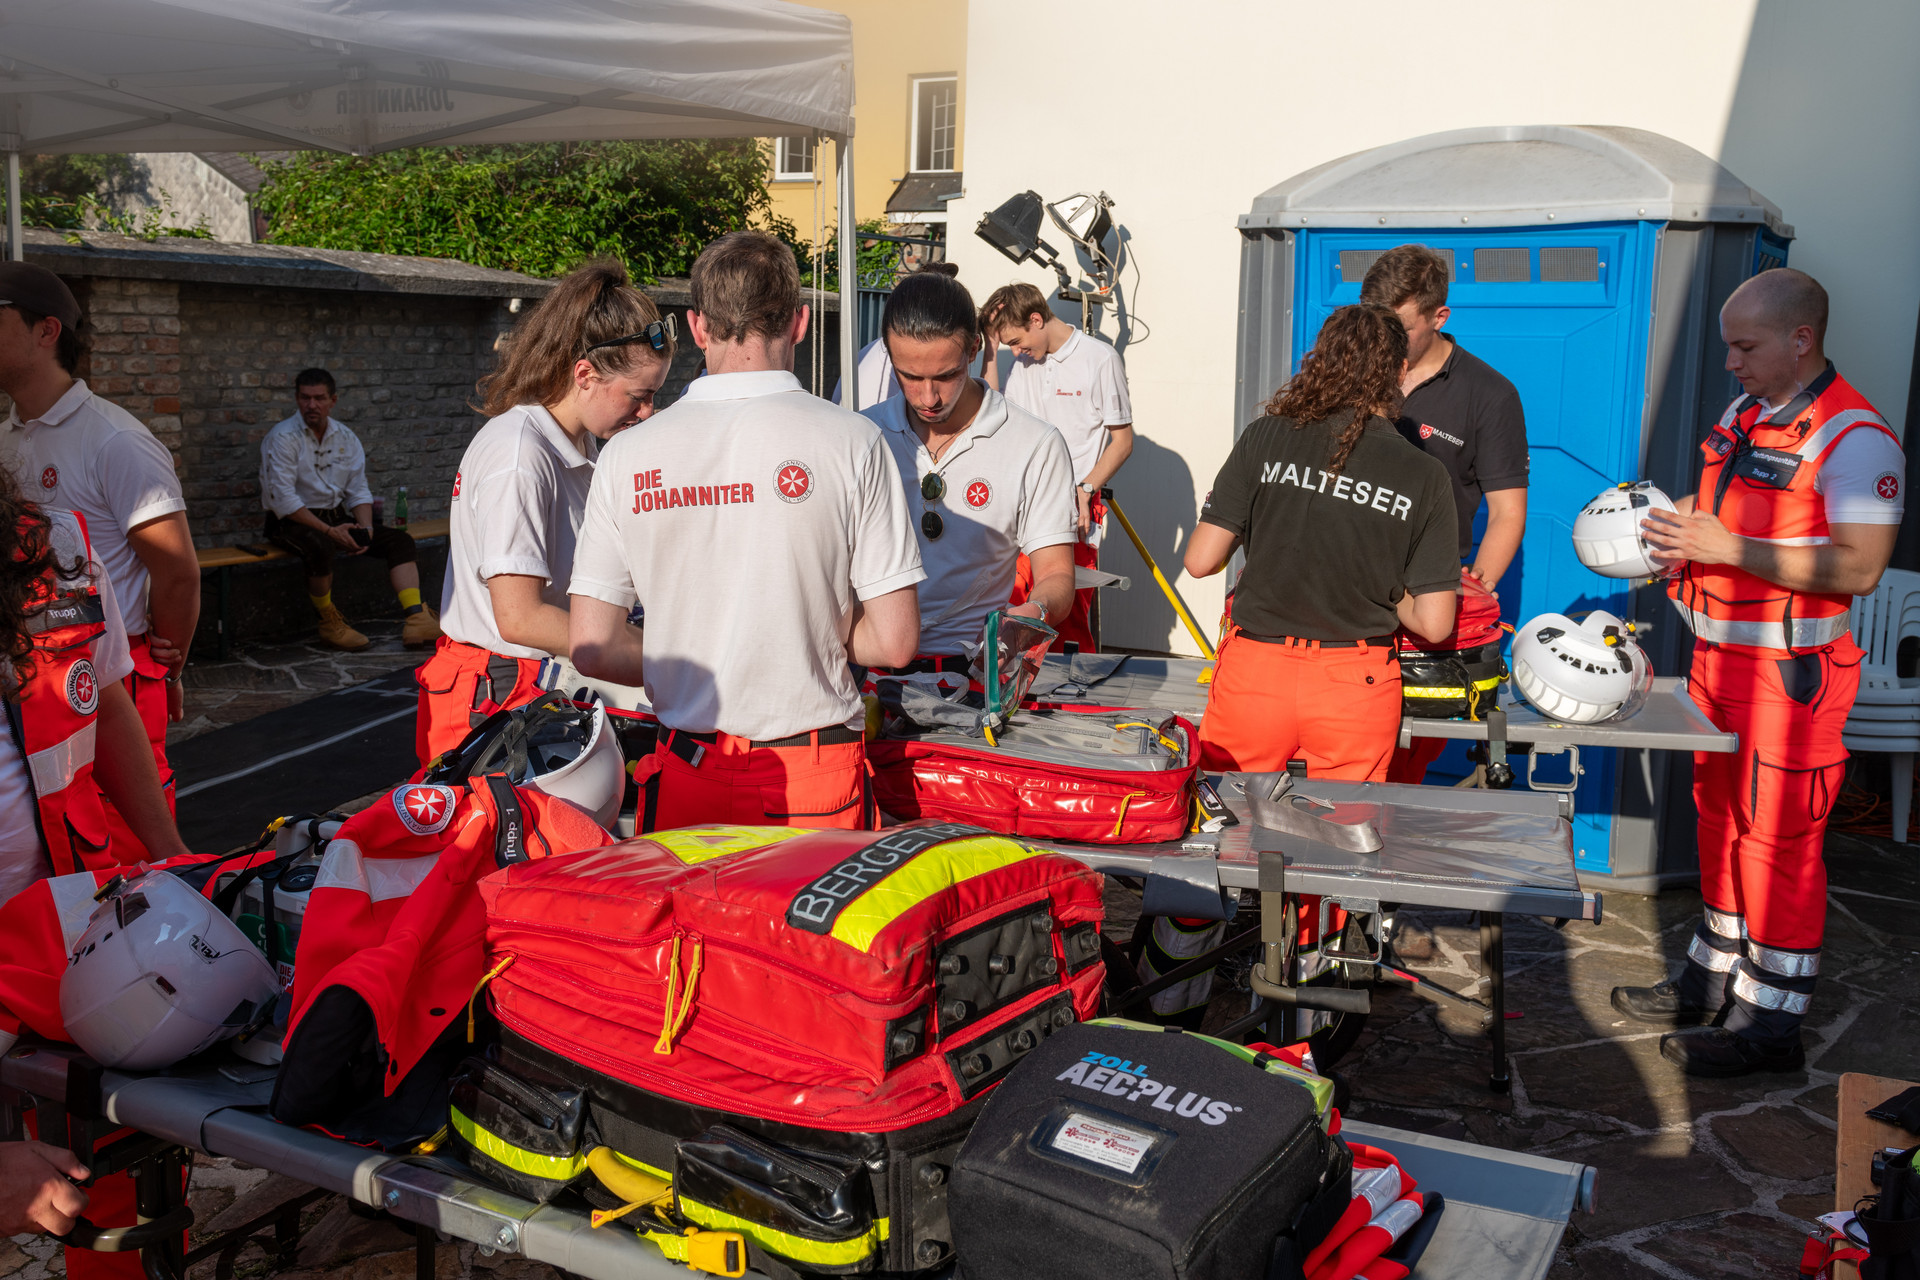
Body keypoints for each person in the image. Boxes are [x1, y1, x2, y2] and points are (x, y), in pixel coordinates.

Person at [1613, 268, 1901, 1079]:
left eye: (1746, 346)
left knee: (1778, 842)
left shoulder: (1856, 438)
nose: (1731, 362)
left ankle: (1771, 1024)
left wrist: (1721, 549)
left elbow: (1863, 566)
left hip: (1791, 678)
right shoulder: (1746, 417)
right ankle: (1710, 982)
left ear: (1800, 339)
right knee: (1720, 822)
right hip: (1718, 664)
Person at [568, 230, 922, 830]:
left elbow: (593, 644)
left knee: (690, 930)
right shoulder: (854, 441)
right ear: (802, 322)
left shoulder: (627, 454)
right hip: (814, 780)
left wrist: (699, 654)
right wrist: (799, 637)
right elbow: (894, 643)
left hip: (686, 773)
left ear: (697, 327)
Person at [1182, 302, 1459, 781]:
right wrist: (1380, 590)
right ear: (1400, 370)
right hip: (1355, 682)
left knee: (1231, 831)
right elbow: (1435, 624)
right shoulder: (1425, 474)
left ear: (1322, 361)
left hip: (1255, 672)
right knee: (1340, 840)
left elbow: (1201, 560)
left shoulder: (1265, 437)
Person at [416, 261, 671, 765]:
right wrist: (659, 656)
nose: (647, 413)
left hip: (522, 684)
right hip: (496, 691)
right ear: (585, 374)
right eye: (639, 397)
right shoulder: (521, 456)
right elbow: (520, 616)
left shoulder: (574, 444)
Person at [0, 262, 198, 861]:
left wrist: (169, 656)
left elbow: (176, 568)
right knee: (55, 841)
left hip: (106, 675)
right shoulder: (7, 435)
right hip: (31, 681)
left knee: (131, 847)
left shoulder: (114, 438)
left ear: (46, 330)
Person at [1358, 245, 1529, 784]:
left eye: (1400, 328)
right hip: (1346, 587)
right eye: (1374, 324)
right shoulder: (1352, 374)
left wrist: (1476, 589)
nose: (1383, 342)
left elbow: (1507, 512)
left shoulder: (1490, 394)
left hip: (1425, 596)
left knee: (1405, 763)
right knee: (1341, 753)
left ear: (1439, 317)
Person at [860, 268, 1078, 674]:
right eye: (909, 376)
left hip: (975, 671)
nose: (929, 396)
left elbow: (1056, 573)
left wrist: (1031, 613)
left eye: (946, 375)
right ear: (888, 355)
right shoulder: (861, 435)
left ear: (975, 348)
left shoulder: (1034, 443)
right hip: (866, 670)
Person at [980, 282, 1133, 651]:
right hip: (1023, 510)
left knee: (1068, 620)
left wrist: (1085, 489)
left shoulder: (1100, 359)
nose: (1015, 351)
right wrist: (989, 349)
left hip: (1073, 512)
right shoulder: (1024, 363)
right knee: (1018, 612)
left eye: (1016, 341)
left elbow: (1123, 441)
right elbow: (992, 416)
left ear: (1036, 319)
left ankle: (1076, 705)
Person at [259, 369, 441, 653]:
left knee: (399, 541)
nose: (311, 405)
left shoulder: (346, 436)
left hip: (336, 518)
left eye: (319, 398)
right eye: (305, 398)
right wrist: (332, 532)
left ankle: (417, 618)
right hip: (290, 522)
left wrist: (365, 528)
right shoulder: (282, 437)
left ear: (333, 400)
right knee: (320, 546)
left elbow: (358, 490)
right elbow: (283, 500)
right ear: (297, 399)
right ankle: (327, 622)